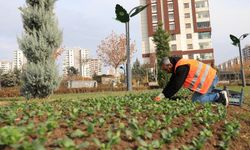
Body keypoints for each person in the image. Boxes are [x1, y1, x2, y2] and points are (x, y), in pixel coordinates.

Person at [153, 56, 229, 106]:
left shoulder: (182, 67)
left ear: (170, 65)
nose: (166, 71)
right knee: (195, 99)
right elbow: (171, 83)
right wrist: (162, 95)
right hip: (209, 79)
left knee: (196, 100)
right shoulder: (178, 66)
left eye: (165, 69)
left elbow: (176, 85)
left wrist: (165, 96)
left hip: (210, 79)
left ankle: (219, 96)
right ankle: (218, 95)